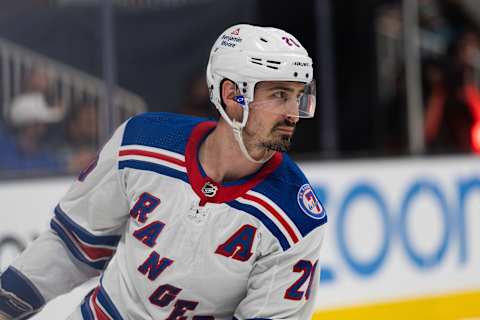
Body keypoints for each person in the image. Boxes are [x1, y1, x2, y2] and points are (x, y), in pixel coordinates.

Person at [0, 24, 327, 320]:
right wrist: (6, 303)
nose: (293, 114)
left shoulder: (295, 218)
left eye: (298, 97)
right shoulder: (141, 144)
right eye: (279, 95)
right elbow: (73, 245)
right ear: (231, 95)